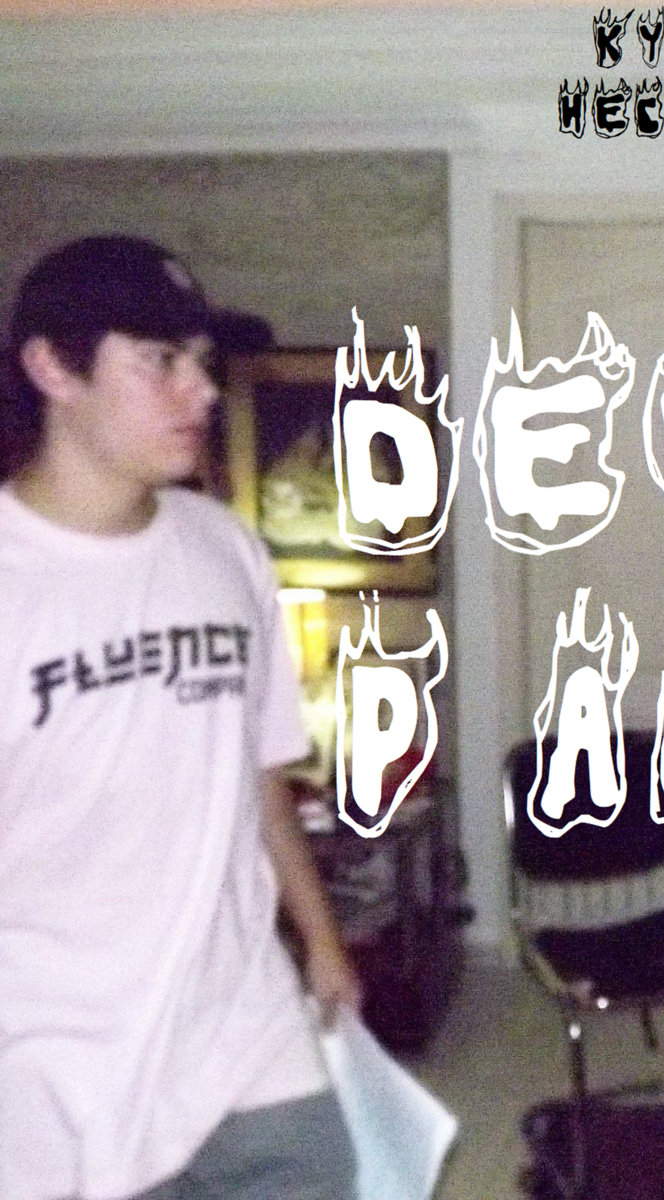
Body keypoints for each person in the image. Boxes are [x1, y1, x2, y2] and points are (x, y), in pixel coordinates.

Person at [0, 236, 362, 1200]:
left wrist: (321, 940)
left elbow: (259, 771)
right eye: (160, 360)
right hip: (56, 1063)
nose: (201, 390)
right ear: (53, 369)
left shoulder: (225, 549)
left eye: (201, 360)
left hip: (242, 1024)